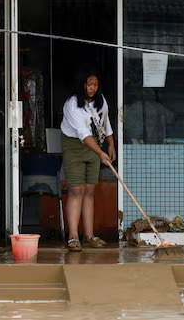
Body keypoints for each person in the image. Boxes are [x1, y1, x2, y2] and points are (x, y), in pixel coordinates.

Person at [59, 69, 115, 252]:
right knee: (76, 190)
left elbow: (105, 123)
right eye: (89, 84)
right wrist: (100, 153)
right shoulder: (72, 104)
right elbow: (83, 135)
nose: (92, 88)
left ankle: (89, 235)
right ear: (81, 84)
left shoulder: (101, 101)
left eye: (95, 84)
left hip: (95, 146)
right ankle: (73, 236)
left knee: (90, 190)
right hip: (76, 147)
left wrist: (110, 144)